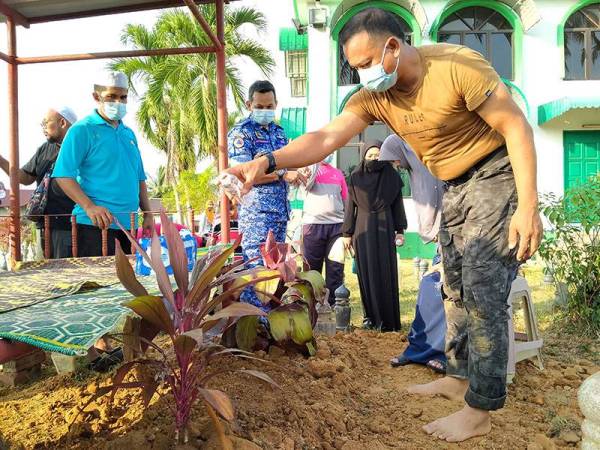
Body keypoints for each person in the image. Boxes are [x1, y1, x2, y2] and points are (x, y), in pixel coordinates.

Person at [226, 7, 543, 442]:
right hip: (451, 183)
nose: (362, 76)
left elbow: (516, 126)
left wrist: (528, 206)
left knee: (483, 286)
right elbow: (324, 138)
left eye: (364, 64)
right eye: (354, 68)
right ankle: (458, 376)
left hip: (495, 171)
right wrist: (266, 161)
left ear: (392, 47)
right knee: (452, 285)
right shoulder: (376, 95)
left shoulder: (456, 66)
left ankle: (480, 408)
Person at [53, 72, 153, 258]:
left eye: (123, 97)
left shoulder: (128, 133)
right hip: (95, 226)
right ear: (96, 97)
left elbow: (139, 177)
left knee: (129, 284)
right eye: (111, 96)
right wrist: (89, 207)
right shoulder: (82, 130)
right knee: (98, 286)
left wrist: (147, 212)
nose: (118, 102)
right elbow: (63, 175)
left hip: (129, 225)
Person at [227, 80, 305, 310]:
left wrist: (293, 172)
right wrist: (282, 174)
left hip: (280, 212)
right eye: (259, 106)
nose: (264, 111)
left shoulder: (279, 133)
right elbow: (243, 174)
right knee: (257, 271)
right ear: (249, 104)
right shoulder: (242, 133)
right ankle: (254, 323)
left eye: (269, 106)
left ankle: (269, 321)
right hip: (257, 214)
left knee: (275, 270)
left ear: (276, 104)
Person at [378, 135, 447, 372]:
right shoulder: (410, 150)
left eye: (396, 163)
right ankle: (419, 349)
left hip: (464, 234)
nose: (398, 168)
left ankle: (446, 353)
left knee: (438, 288)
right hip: (444, 237)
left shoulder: (450, 147)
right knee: (430, 287)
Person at [342, 140, 407, 331]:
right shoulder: (355, 177)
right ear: (363, 157)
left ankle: (389, 320)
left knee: (386, 272)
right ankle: (369, 317)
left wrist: (400, 230)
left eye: (378, 155)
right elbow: (350, 207)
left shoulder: (392, 177)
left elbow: (398, 207)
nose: (374, 159)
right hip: (362, 230)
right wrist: (347, 233)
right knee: (366, 272)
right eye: (370, 156)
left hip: (386, 228)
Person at [0, 107, 77, 258]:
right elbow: (25, 178)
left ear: (62, 122)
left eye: (45, 123)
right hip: (45, 224)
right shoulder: (45, 148)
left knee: (64, 275)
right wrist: (1, 161)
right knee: (45, 275)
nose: (43, 128)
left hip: (69, 225)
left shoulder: (80, 146)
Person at [299, 154, 348, 306]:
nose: (327, 155)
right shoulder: (308, 170)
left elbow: (346, 199)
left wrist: (348, 229)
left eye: (330, 152)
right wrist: (308, 167)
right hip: (313, 226)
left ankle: (334, 305)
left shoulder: (338, 173)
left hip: (337, 227)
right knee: (312, 269)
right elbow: (302, 184)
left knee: (336, 267)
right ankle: (311, 305)